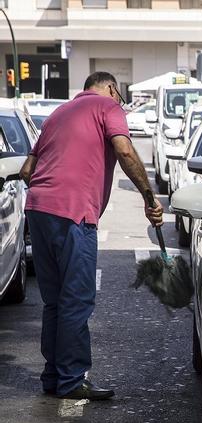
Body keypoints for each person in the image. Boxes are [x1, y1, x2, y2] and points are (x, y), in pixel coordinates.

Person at [18, 72, 163, 401]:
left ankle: (53, 376)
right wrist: (149, 198)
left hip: (39, 209)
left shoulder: (58, 114)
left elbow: (28, 171)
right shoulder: (108, 107)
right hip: (74, 213)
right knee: (77, 299)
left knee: (54, 301)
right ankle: (71, 380)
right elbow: (125, 151)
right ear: (112, 89)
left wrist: (51, 194)